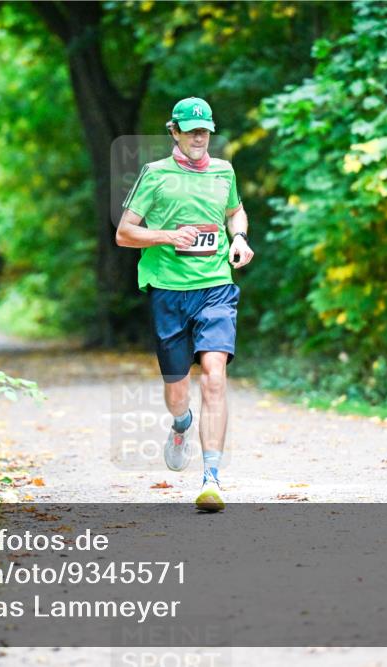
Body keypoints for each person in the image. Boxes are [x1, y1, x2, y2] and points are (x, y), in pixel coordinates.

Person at [115, 97, 254, 512]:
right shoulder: (155, 175)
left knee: (214, 377)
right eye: (191, 130)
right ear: (174, 131)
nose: (198, 137)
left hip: (216, 287)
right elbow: (124, 233)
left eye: (204, 131)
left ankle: (212, 477)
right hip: (169, 292)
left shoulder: (224, 171)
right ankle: (181, 424)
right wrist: (167, 236)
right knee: (178, 391)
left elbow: (236, 211)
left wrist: (239, 237)